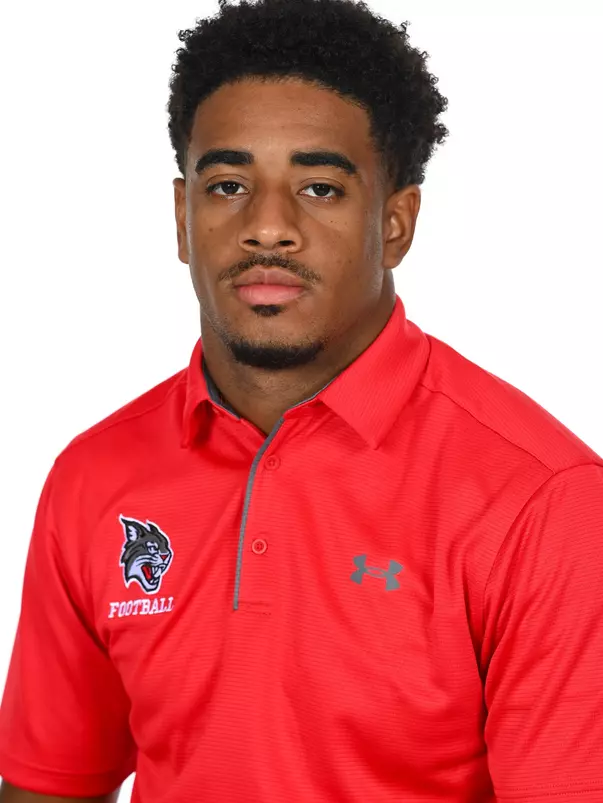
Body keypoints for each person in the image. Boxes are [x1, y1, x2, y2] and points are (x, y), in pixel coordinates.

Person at [1, 0, 602, 800]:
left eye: (319, 187)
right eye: (226, 185)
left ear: (394, 223)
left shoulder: (539, 498)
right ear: (182, 217)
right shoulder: (92, 476)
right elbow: (48, 784)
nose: (268, 227)